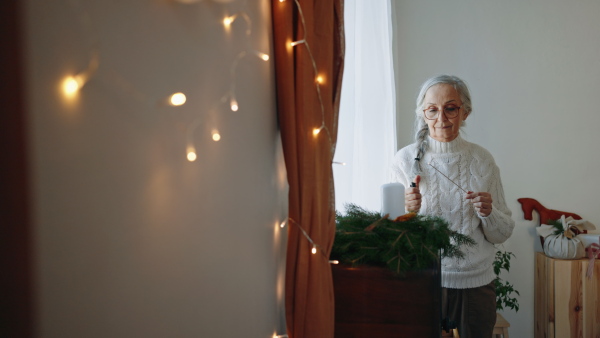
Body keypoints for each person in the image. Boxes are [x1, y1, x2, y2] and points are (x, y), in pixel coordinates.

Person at [391, 75, 515, 338]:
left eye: (451, 108)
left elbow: (502, 233)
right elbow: (386, 233)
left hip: (475, 285)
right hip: (421, 281)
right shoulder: (404, 160)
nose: (442, 118)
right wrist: (406, 212)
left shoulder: (482, 160)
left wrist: (489, 213)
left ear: (465, 112)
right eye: (432, 110)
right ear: (423, 114)